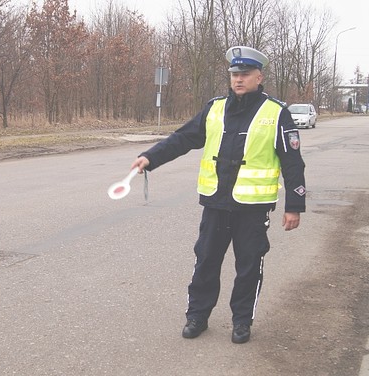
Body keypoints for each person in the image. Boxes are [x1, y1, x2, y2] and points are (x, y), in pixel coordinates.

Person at [130, 46, 306, 344]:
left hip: (252, 208)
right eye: (235, 74)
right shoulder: (215, 108)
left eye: (245, 74)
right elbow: (184, 137)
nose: (239, 79)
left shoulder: (276, 113)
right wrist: (151, 157)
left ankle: (241, 322)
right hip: (216, 203)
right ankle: (197, 316)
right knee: (206, 261)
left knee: (249, 266)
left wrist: (295, 205)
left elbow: (292, 162)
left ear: (258, 76)